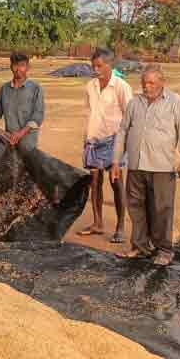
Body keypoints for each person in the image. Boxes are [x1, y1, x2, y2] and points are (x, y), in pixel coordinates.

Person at [111, 65, 180, 267]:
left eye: (151, 83)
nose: (147, 87)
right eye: (144, 83)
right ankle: (140, 247)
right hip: (136, 166)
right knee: (136, 207)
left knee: (161, 209)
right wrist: (115, 161)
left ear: (162, 83)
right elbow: (122, 131)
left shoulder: (175, 102)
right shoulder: (134, 103)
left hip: (162, 167)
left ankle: (164, 250)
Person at [79, 47, 133, 243]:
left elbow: (129, 116)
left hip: (114, 142)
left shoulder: (121, 86)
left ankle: (120, 227)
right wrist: (87, 138)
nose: (95, 69)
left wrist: (124, 146)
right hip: (93, 141)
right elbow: (88, 113)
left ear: (110, 65)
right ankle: (97, 223)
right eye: (93, 65)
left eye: (99, 66)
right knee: (94, 184)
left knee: (116, 183)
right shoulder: (90, 86)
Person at [0, 52, 44, 149]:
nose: (18, 69)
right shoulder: (4, 88)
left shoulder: (35, 88)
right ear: (11, 67)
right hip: (9, 140)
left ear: (28, 67)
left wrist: (20, 134)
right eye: (15, 65)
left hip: (28, 143)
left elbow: (37, 116)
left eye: (22, 65)